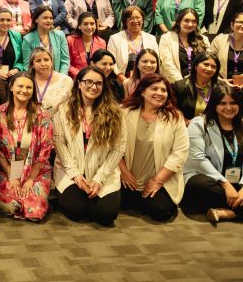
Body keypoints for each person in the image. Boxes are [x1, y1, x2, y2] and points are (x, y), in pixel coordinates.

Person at [53, 67, 126, 225]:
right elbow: (59, 143)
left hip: (103, 171)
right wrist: (76, 175)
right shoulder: (64, 109)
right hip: (70, 170)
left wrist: (99, 179)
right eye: (89, 82)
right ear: (79, 83)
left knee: (106, 214)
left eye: (98, 83)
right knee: (76, 210)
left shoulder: (115, 112)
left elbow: (118, 149)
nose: (93, 87)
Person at [118, 73, 189, 221]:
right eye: (154, 88)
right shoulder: (124, 112)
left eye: (163, 90)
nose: (159, 93)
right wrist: (124, 172)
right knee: (108, 206)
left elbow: (180, 153)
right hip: (127, 178)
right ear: (142, 91)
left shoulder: (175, 117)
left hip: (160, 178)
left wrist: (157, 180)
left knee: (161, 212)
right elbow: (113, 145)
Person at [0, 72, 54, 220]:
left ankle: (31, 202)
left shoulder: (42, 115)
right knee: (12, 198)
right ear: (11, 87)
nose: (24, 90)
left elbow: (44, 153)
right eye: (20, 86)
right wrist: (13, 175)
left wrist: (30, 179)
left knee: (35, 210)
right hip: (8, 166)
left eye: (29, 87)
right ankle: (7, 202)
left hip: (35, 168)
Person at [183, 85, 243, 223]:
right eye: (223, 103)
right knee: (200, 186)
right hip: (209, 180)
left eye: (233, 103)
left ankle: (229, 213)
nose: (229, 107)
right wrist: (225, 184)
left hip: (237, 183)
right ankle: (237, 208)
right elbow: (197, 159)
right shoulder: (199, 124)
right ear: (214, 104)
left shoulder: (241, 124)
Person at [159, 8, 209, 83]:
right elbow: (168, 65)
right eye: (186, 20)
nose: (190, 24)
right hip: (174, 82)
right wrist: (182, 84)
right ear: (178, 22)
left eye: (194, 21)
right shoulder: (166, 38)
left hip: (199, 83)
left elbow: (209, 62)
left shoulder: (203, 39)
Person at [107, 6, 159, 77]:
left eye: (138, 17)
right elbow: (112, 63)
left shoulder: (151, 38)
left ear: (142, 20)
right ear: (125, 21)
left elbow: (156, 61)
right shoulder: (115, 39)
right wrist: (124, 80)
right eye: (131, 18)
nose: (135, 21)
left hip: (147, 79)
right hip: (123, 80)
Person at [172, 53, 224, 122]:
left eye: (213, 67)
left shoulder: (220, 87)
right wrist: (186, 122)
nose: (209, 69)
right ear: (196, 66)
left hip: (212, 126)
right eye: (206, 64)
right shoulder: (180, 86)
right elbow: (173, 109)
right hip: (186, 126)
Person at [22, 6, 70, 74]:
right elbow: (27, 66)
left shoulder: (60, 35)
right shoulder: (27, 39)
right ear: (36, 19)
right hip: (36, 77)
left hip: (58, 76)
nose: (49, 21)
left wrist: (61, 77)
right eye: (45, 18)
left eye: (51, 18)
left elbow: (65, 60)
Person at [27, 46, 73, 116]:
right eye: (38, 61)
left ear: (51, 62)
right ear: (32, 64)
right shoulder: (26, 81)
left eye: (46, 60)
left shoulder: (66, 81)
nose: (43, 64)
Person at [68, 12, 106, 78]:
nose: (89, 27)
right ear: (79, 26)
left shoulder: (102, 42)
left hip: (95, 77)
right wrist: (82, 76)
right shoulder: (70, 40)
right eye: (85, 24)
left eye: (92, 24)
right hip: (76, 77)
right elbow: (67, 63)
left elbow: (102, 63)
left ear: (96, 25)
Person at [0, 8, 24, 79]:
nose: (5, 23)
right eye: (2, 20)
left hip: (11, 77)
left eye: (8, 20)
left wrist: (17, 69)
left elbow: (21, 60)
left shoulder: (17, 35)